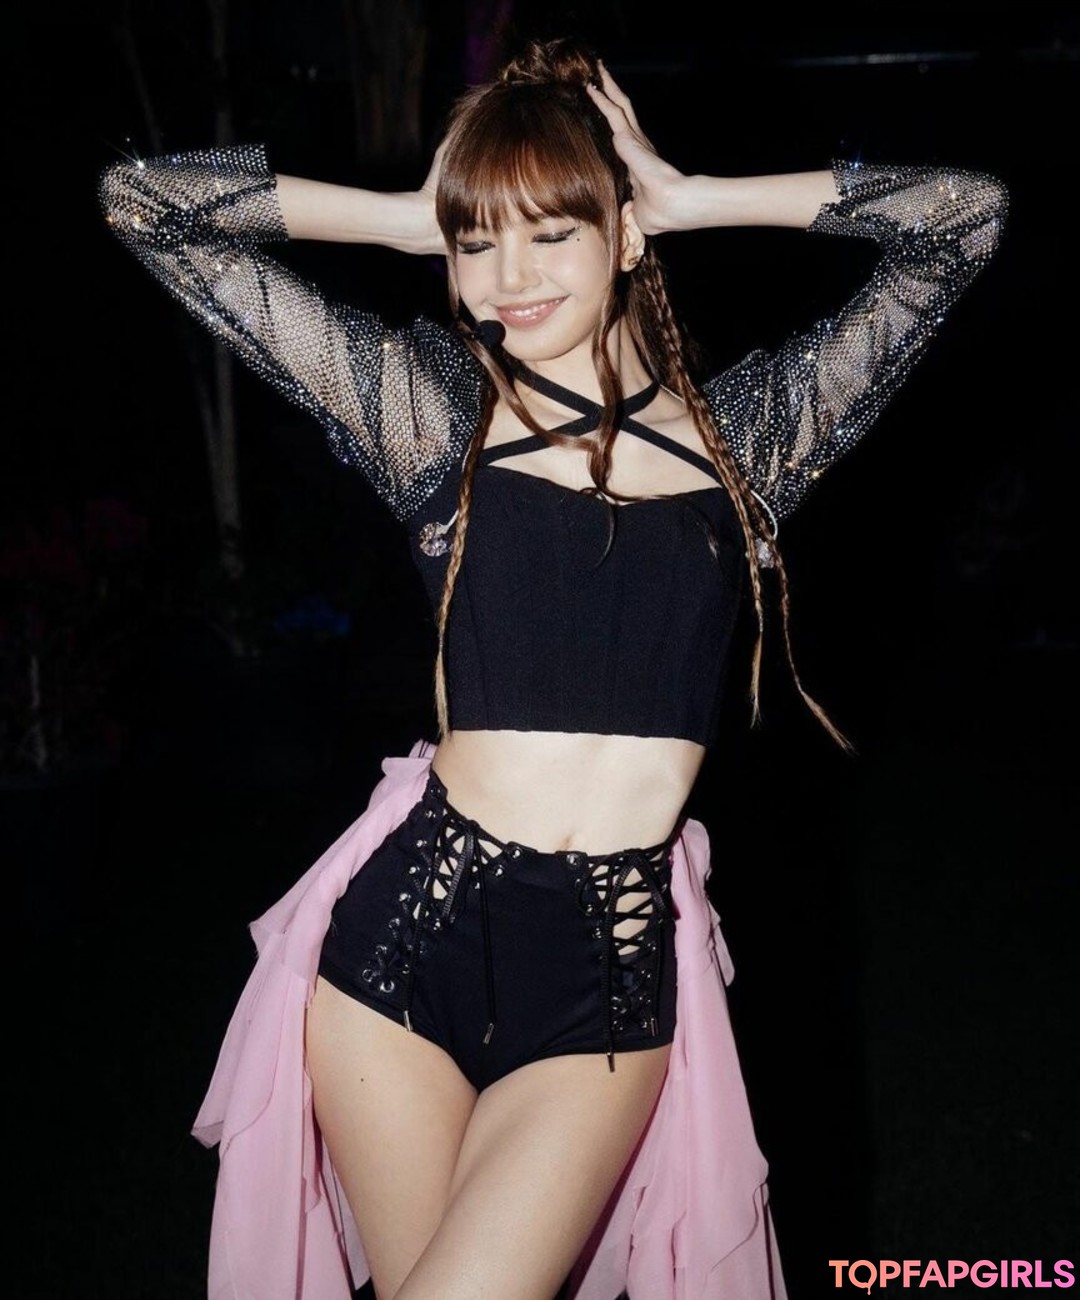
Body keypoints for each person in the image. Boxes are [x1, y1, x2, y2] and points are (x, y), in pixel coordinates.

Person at [99, 36, 1007, 1300]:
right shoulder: (433, 418)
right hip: (402, 944)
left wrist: (693, 196)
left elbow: (963, 218)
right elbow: (145, 202)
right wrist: (408, 218)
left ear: (624, 237)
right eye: (479, 243)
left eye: (549, 233)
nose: (507, 277)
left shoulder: (745, 444)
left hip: (604, 980)